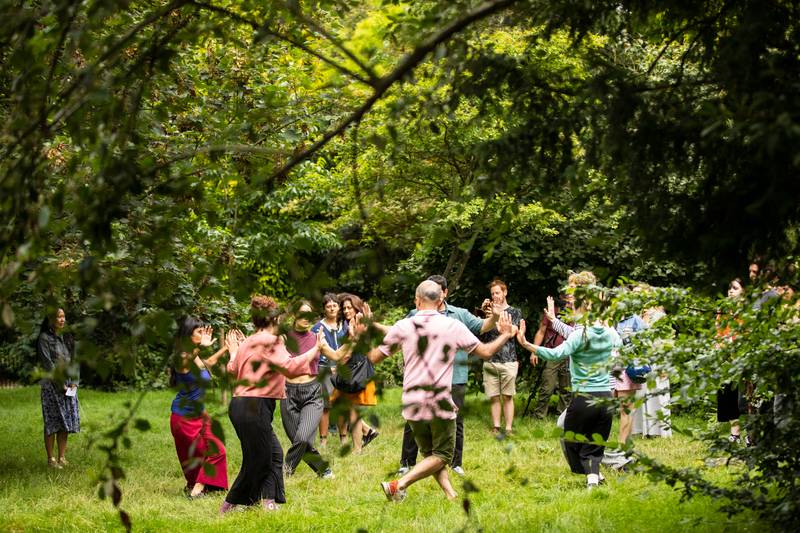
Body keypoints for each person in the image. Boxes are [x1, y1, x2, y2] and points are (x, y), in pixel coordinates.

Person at [369, 280, 518, 502]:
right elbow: (486, 352)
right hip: (439, 404)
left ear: (416, 300)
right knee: (443, 455)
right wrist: (505, 335)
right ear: (441, 300)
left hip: (411, 403)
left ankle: (450, 494)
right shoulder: (453, 325)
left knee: (430, 454)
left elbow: (374, 358)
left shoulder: (404, 325)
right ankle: (398, 484)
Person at [221, 295, 322, 514]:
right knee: (258, 460)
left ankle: (269, 501)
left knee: (273, 453)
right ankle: (229, 504)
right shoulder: (272, 341)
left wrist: (233, 352)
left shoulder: (249, 341)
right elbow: (290, 367)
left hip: (240, 406)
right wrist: (316, 349)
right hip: (254, 407)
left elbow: (232, 368)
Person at [517, 290, 622, 490]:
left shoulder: (578, 336)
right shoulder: (611, 334)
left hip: (584, 398)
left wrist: (526, 344)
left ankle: (594, 474)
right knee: (595, 444)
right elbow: (620, 358)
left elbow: (556, 354)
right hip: (606, 399)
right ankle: (594, 480)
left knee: (571, 439)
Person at [398, 275, 500, 476]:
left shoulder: (459, 314)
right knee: (414, 421)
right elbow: (400, 335)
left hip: (455, 377)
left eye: (436, 290)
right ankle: (406, 463)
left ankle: (454, 463)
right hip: (423, 378)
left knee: (456, 421)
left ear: (444, 293)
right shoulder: (415, 313)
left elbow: (482, 326)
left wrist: (495, 318)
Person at [170, 317, 230, 498]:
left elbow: (207, 364)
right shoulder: (181, 357)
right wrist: (201, 347)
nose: (203, 334)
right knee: (198, 454)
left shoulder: (194, 357)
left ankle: (198, 486)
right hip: (184, 418)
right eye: (199, 331)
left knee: (218, 450)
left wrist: (227, 348)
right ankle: (196, 489)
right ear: (188, 334)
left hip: (200, 414)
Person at [281, 300, 334, 479]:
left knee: (303, 438)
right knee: (298, 440)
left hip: (312, 391)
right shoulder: (285, 337)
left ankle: (283, 473)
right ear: (294, 315)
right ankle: (323, 470)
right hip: (288, 393)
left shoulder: (316, 338)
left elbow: (337, 356)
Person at [322, 292, 379, 454]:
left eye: (349, 307)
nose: (346, 311)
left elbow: (354, 348)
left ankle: (357, 449)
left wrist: (339, 363)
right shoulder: (349, 324)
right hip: (350, 370)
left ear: (356, 307)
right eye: (344, 308)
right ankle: (368, 432)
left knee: (353, 411)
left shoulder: (359, 322)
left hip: (356, 370)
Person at [37, 307, 79, 468]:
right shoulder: (44, 339)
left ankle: (62, 457)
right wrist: (59, 383)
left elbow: (75, 361)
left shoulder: (67, 337)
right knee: (52, 421)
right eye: (58, 317)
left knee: (65, 421)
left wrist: (74, 381)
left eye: (63, 316)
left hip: (68, 383)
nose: (62, 319)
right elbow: (47, 363)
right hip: (51, 385)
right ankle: (51, 459)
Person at [480, 279, 522, 435]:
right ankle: (496, 427)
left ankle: (509, 428)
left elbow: (512, 332)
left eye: (497, 292)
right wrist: (485, 314)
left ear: (505, 292)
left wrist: (496, 317)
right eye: (492, 293)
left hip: (508, 360)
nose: (495, 296)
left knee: (508, 396)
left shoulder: (514, 312)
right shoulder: (488, 312)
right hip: (490, 359)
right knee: (494, 396)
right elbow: (480, 330)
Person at [311, 293, 347, 447]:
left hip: (343, 368)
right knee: (325, 406)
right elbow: (314, 351)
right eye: (328, 306)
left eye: (334, 305)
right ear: (324, 309)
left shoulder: (345, 325)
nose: (332, 309)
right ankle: (323, 441)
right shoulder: (317, 327)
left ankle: (344, 437)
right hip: (324, 369)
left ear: (338, 307)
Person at [531, 295, 571, 419]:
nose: (568, 302)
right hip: (551, 353)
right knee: (547, 387)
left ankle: (563, 416)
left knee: (567, 389)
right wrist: (534, 351)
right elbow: (541, 331)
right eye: (566, 299)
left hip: (568, 353)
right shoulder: (551, 312)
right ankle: (539, 415)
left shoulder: (575, 313)